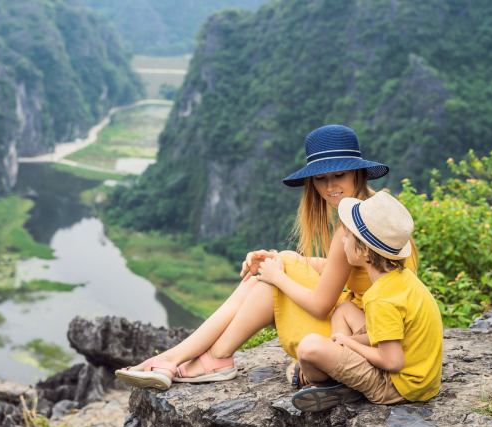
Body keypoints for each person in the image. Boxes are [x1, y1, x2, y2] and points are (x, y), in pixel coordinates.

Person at [114, 125, 417, 390]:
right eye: (321, 178)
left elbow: (322, 304)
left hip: (368, 336)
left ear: (358, 172)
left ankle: (204, 358)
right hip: (372, 324)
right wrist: (280, 260)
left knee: (267, 284)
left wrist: (278, 276)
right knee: (280, 261)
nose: (329, 186)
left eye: (339, 175)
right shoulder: (377, 213)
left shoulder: (348, 230)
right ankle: (183, 358)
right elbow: (354, 270)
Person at [290, 193, 443, 412]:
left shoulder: (380, 298)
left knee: (308, 348)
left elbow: (392, 363)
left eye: (347, 237)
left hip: (398, 387)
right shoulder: (402, 279)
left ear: (365, 250)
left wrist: (347, 342)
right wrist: (345, 342)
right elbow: (386, 335)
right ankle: (342, 379)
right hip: (421, 380)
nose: (342, 240)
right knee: (344, 309)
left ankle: (330, 383)